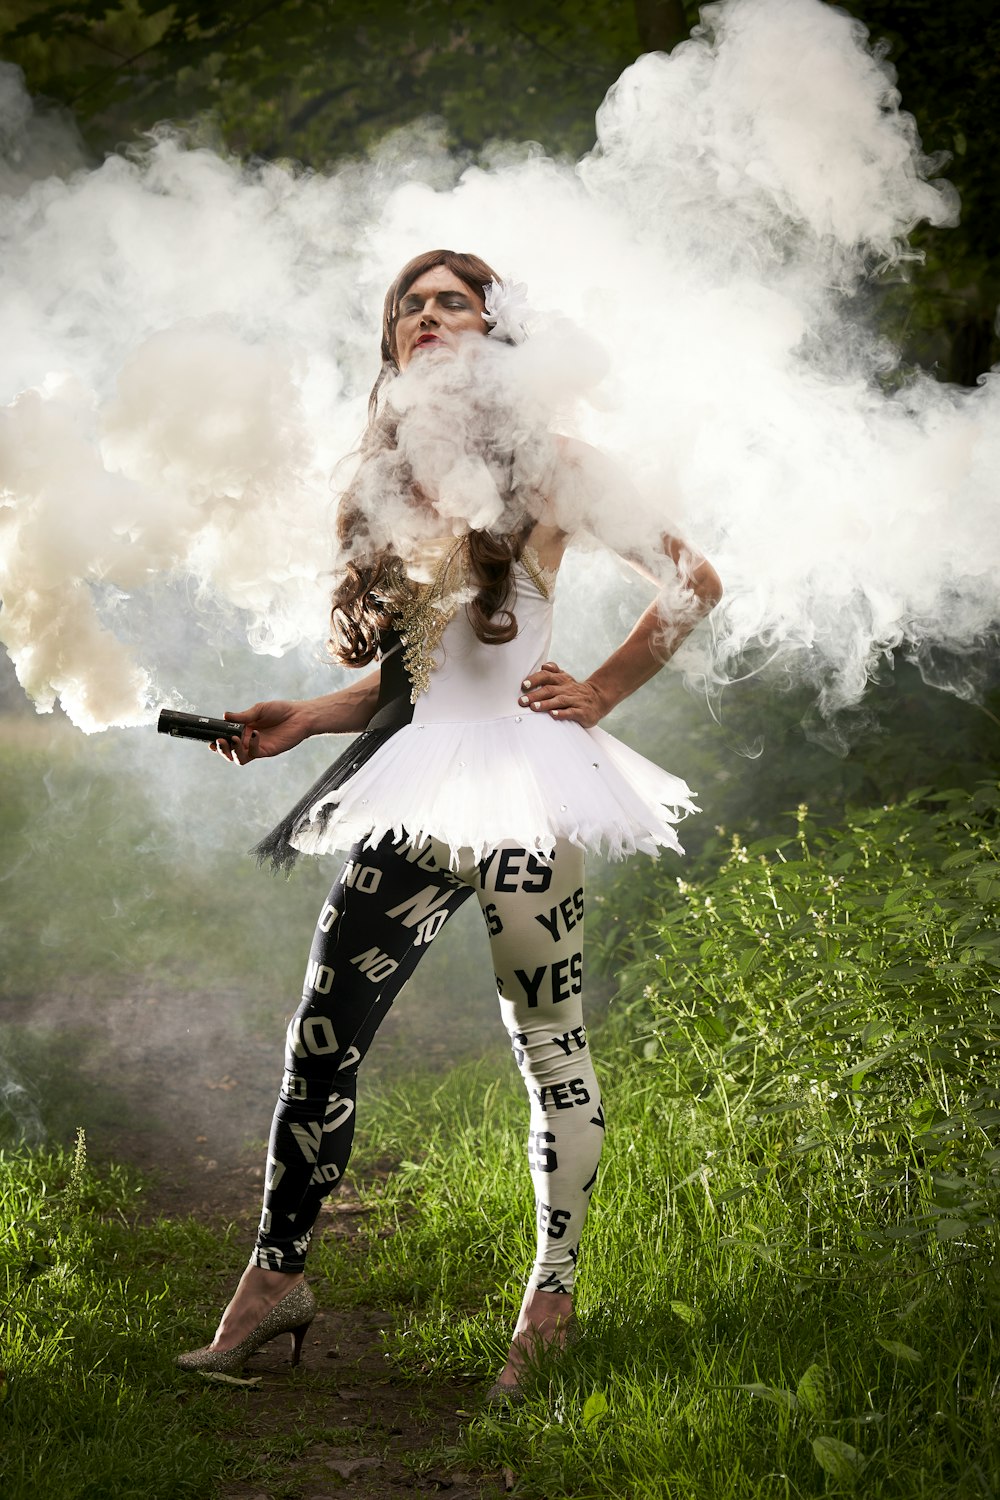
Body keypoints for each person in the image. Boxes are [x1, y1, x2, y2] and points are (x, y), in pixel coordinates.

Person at [175, 249, 723, 1400]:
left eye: (453, 302)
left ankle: (552, 1304)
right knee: (321, 1036)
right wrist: (302, 721)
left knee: (548, 1047)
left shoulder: (559, 464)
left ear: (493, 332)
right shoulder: (393, 479)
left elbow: (691, 579)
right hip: (418, 785)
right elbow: (413, 686)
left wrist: (606, 691)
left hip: (528, 784)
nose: (428, 316)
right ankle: (274, 1284)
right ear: (392, 344)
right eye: (408, 306)